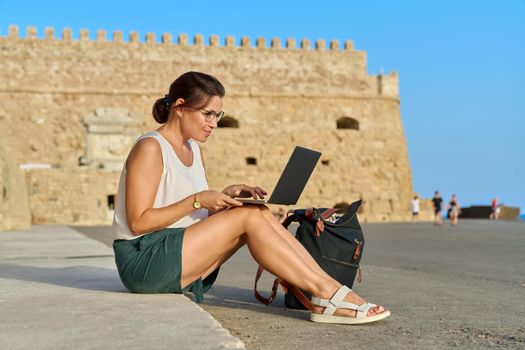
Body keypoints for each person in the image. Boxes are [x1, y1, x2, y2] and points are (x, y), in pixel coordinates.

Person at [111, 71, 389, 325]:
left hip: (175, 251)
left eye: (217, 116)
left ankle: (327, 291)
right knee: (247, 216)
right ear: (180, 106)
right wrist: (198, 200)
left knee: (257, 212)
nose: (213, 124)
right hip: (143, 260)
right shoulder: (150, 147)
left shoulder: (194, 150)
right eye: (207, 114)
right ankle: (328, 295)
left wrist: (223, 198)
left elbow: (189, 219)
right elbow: (138, 222)